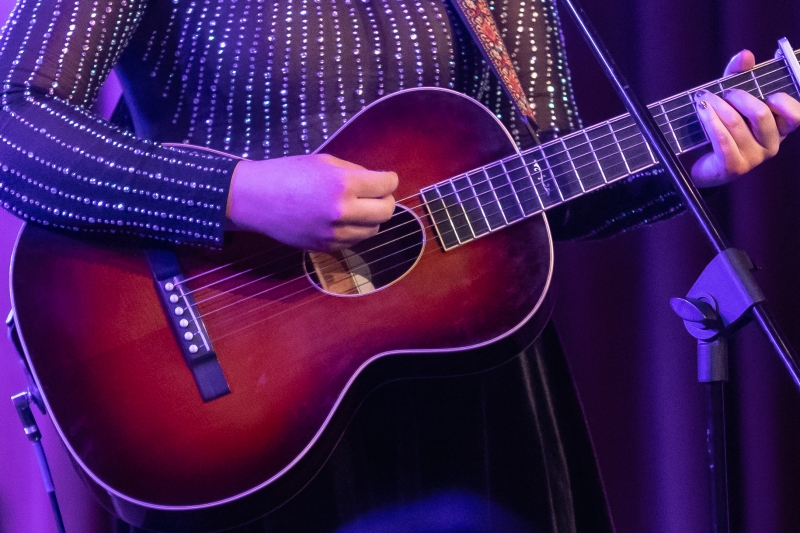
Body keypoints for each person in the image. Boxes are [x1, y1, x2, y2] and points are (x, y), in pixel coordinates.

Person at [0, 0, 798, 532]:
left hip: (475, 391)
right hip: (237, 399)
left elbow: (540, 174)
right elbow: (14, 120)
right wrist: (236, 191)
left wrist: (684, 164)